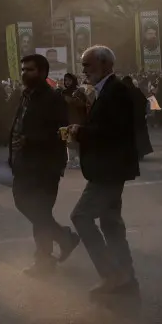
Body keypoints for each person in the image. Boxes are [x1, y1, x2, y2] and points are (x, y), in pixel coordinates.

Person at [68, 45, 139, 297]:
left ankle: (111, 274)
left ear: (105, 64)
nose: (84, 70)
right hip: (108, 168)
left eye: (88, 64)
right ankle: (125, 272)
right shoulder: (103, 91)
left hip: (109, 170)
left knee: (81, 217)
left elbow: (112, 133)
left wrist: (79, 131)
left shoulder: (115, 91)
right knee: (111, 223)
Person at [9, 55, 81, 276]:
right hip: (24, 163)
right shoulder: (26, 96)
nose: (24, 73)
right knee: (24, 204)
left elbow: (64, 132)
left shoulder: (53, 98)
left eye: (29, 70)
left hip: (45, 165)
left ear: (42, 72)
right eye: (23, 69)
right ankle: (64, 237)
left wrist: (32, 140)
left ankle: (43, 260)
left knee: (40, 212)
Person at [121, 76, 154, 160]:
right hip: (139, 118)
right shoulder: (136, 90)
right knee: (139, 135)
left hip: (128, 118)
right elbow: (144, 101)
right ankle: (140, 152)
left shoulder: (123, 92)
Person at [61, 73, 89, 169]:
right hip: (64, 120)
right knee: (66, 140)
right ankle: (70, 160)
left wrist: (72, 101)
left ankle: (80, 160)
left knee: (76, 140)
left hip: (76, 120)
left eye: (69, 80)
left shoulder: (79, 92)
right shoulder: (62, 93)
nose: (67, 82)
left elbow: (84, 104)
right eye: (65, 80)